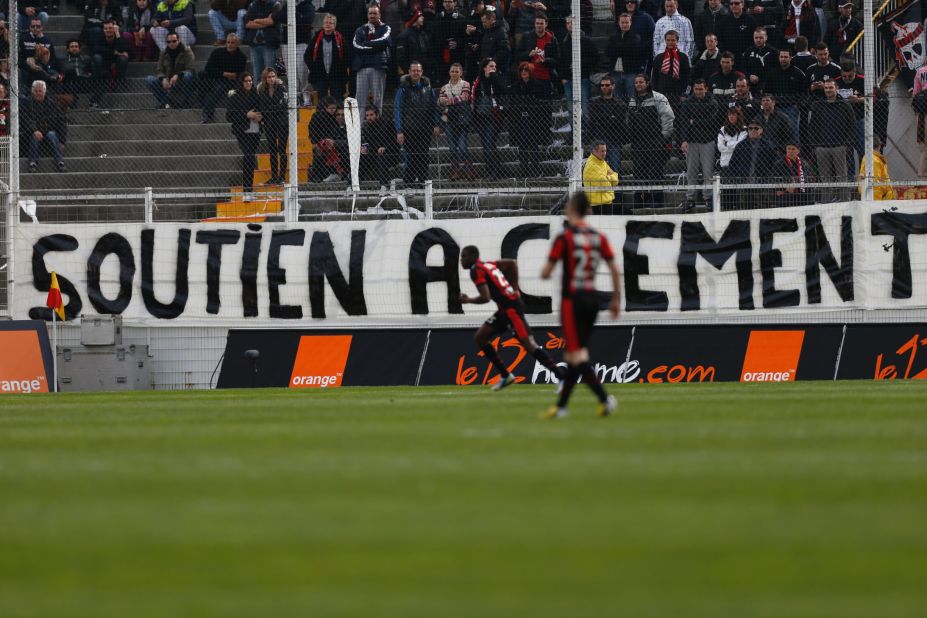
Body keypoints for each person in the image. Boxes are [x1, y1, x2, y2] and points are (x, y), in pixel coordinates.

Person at [540, 191, 620, 419]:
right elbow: (614, 268)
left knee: (577, 357)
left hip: (572, 301)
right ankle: (561, 407)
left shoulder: (565, 237)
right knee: (575, 355)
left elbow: (546, 272)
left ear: (570, 208)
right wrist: (616, 299)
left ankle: (605, 399)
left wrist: (547, 270)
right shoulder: (598, 237)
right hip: (592, 299)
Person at [459, 244, 567, 391]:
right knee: (480, 337)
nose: (461, 260)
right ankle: (506, 376)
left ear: (472, 257)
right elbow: (511, 264)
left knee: (529, 345)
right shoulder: (487, 265)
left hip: (511, 309)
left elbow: (485, 297)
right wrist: (514, 289)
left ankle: (561, 377)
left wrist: (468, 300)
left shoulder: (475, 270)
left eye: (463, 256)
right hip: (504, 310)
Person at [627, 73, 673, 208]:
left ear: (647, 83)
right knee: (639, 172)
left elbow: (668, 117)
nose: (638, 84)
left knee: (655, 172)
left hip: (656, 142)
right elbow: (629, 120)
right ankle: (640, 201)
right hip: (638, 143)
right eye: (636, 82)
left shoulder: (659, 97)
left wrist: (663, 137)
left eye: (641, 82)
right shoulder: (632, 100)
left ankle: (657, 201)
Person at [807, 80, 854, 201]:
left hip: (840, 147)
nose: (828, 90)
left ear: (836, 88)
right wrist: (815, 146)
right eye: (826, 88)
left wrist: (846, 145)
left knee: (842, 177)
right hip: (822, 147)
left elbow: (852, 126)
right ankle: (826, 203)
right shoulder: (818, 105)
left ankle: (845, 202)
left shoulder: (845, 105)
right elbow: (812, 126)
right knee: (825, 178)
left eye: (831, 87)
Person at [394, 61, 439, 185]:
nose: (416, 72)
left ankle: (423, 181)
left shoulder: (428, 87)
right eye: (413, 70)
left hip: (425, 128)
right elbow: (397, 109)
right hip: (409, 128)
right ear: (409, 72)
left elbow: (433, 107)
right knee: (412, 156)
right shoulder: (402, 88)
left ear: (422, 72)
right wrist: (399, 130)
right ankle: (409, 182)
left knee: (424, 155)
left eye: (418, 70)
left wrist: (436, 124)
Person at [679, 79, 721, 209]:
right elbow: (684, 122)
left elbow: (712, 122)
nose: (698, 91)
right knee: (691, 170)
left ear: (706, 88)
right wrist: (684, 140)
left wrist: (694, 121)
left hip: (707, 141)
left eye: (700, 89)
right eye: (696, 89)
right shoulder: (687, 103)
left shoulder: (712, 102)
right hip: (691, 141)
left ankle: (708, 197)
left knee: (708, 171)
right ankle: (690, 197)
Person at [508, 62, 551, 179]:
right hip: (519, 120)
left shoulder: (538, 85)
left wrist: (531, 103)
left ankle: (535, 169)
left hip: (534, 120)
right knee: (522, 146)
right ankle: (524, 170)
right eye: (522, 70)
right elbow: (512, 104)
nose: (523, 73)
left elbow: (544, 104)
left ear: (530, 72)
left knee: (533, 145)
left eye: (526, 70)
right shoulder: (515, 86)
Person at [352, 4, 392, 122]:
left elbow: (384, 41)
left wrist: (366, 44)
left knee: (377, 100)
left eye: (375, 13)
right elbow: (356, 46)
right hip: (362, 68)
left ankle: (377, 128)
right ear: (367, 15)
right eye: (370, 13)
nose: (372, 15)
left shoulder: (386, 28)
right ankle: (359, 129)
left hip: (378, 66)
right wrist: (375, 47)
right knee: (360, 100)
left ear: (379, 15)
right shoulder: (360, 29)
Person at [226, 72, 262, 199]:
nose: (249, 83)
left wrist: (260, 117)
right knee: (248, 157)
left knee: (250, 159)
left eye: (250, 80)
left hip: (255, 130)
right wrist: (247, 115)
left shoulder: (255, 95)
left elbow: (262, 109)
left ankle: (248, 191)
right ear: (241, 82)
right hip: (242, 131)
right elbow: (229, 116)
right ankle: (246, 191)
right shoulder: (235, 97)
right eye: (246, 81)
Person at [559, 15, 598, 127]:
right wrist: (563, 78)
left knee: (584, 107)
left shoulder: (586, 41)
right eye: (568, 23)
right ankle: (573, 133)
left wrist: (579, 63)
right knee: (571, 109)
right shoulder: (564, 42)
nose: (570, 25)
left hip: (583, 78)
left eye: (572, 22)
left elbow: (594, 58)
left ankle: (585, 133)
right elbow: (560, 61)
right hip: (568, 80)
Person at [198, 32, 246, 123]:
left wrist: (229, 75)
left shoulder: (241, 57)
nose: (230, 45)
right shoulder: (217, 52)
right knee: (202, 75)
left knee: (219, 88)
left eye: (232, 42)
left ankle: (207, 115)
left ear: (237, 44)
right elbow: (208, 68)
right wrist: (224, 73)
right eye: (228, 42)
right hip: (215, 78)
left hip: (229, 82)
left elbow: (239, 73)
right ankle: (203, 106)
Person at [471, 56, 505, 179]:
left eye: (495, 67)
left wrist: (494, 77)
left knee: (490, 142)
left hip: (494, 116)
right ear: (484, 68)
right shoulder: (478, 81)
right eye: (491, 66)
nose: (493, 68)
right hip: (481, 116)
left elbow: (503, 90)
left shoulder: (496, 78)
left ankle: (496, 171)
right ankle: (491, 171)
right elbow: (473, 98)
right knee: (485, 144)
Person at [23, 80, 67, 172]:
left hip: (49, 130)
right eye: (36, 91)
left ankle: (60, 162)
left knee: (52, 134)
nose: (38, 93)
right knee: (35, 136)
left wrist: (62, 141)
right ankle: (33, 162)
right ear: (32, 92)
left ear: (45, 91)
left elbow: (61, 122)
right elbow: (26, 119)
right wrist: (35, 130)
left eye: (40, 91)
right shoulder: (27, 103)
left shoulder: (52, 104)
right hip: (34, 132)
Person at [438, 62, 471, 179]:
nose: (454, 73)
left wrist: (447, 101)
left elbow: (465, 97)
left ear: (461, 73)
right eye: (452, 71)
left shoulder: (466, 84)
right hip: (448, 120)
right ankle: (455, 171)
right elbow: (440, 104)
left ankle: (468, 170)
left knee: (462, 146)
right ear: (449, 72)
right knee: (452, 148)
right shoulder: (443, 88)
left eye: (457, 71)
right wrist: (443, 102)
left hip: (462, 120)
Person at [305, 13, 348, 101]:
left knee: (337, 100)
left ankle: (338, 115)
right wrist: (314, 68)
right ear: (323, 24)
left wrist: (341, 68)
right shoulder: (316, 38)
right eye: (326, 22)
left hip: (336, 76)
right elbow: (307, 55)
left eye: (330, 23)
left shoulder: (339, 38)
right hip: (320, 76)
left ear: (334, 25)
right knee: (322, 101)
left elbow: (347, 55)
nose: (328, 24)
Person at [588, 74, 626, 173]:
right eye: (602, 85)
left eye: (607, 85)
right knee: (597, 170)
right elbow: (593, 119)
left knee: (615, 169)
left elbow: (617, 121)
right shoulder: (594, 102)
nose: (604, 87)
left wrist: (601, 118)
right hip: (598, 139)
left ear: (613, 86)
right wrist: (610, 117)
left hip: (614, 139)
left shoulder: (620, 103)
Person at [146, 31, 195, 108]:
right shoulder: (163, 52)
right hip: (168, 80)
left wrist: (178, 75)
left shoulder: (187, 51)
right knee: (149, 79)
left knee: (188, 75)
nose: (171, 43)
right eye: (169, 42)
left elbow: (191, 68)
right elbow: (159, 69)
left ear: (179, 40)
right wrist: (163, 78)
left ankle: (185, 103)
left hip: (181, 81)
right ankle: (167, 103)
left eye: (174, 41)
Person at [258, 67, 287, 184]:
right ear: (265, 78)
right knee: (272, 151)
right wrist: (274, 108)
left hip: (282, 123)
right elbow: (262, 107)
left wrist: (270, 109)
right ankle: (274, 177)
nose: (271, 79)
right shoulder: (262, 90)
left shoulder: (281, 88)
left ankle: (282, 177)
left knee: (282, 150)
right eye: (269, 77)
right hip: (269, 123)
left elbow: (283, 105)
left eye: (273, 76)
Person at [763, 48, 805, 129]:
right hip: (775, 108)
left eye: (786, 57)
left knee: (793, 132)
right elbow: (767, 90)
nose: (783, 59)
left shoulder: (798, 74)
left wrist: (798, 104)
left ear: (790, 58)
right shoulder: (772, 73)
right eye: (781, 57)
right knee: (774, 131)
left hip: (792, 108)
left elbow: (803, 91)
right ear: (779, 58)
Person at [90, 19, 129, 106]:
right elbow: (96, 49)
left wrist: (118, 34)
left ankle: (121, 83)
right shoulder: (99, 36)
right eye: (106, 28)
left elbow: (123, 49)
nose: (108, 30)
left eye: (110, 28)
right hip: (103, 61)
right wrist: (114, 52)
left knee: (123, 58)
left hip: (116, 60)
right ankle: (99, 83)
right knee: (97, 57)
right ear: (103, 30)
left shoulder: (118, 36)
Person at [515, 13, 559, 89]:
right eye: (537, 23)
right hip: (530, 77)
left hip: (546, 77)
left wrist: (545, 60)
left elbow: (557, 59)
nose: (539, 25)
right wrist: (528, 54)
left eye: (541, 23)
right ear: (534, 24)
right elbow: (517, 56)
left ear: (546, 24)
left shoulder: (552, 39)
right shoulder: (526, 37)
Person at [650, 29, 690, 111]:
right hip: (662, 93)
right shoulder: (659, 58)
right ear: (665, 41)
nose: (670, 42)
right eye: (668, 40)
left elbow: (687, 77)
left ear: (677, 41)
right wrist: (655, 94)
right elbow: (654, 77)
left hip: (677, 94)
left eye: (673, 40)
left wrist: (684, 94)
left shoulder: (683, 57)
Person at [430, 0, 466, 89]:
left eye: (450, 1)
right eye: (445, 1)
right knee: (442, 81)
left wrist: (457, 43)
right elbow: (433, 37)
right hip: (441, 57)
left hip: (456, 56)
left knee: (456, 81)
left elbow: (465, 38)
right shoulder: (438, 18)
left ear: (455, 3)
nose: (447, 3)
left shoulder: (461, 19)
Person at [608, 12, 643, 101]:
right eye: (622, 22)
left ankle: (632, 114)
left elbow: (633, 50)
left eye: (626, 22)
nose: (624, 24)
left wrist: (618, 48)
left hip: (630, 72)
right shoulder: (613, 37)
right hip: (616, 72)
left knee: (632, 97)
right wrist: (625, 48)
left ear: (630, 23)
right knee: (616, 97)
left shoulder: (635, 36)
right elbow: (608, 52)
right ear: (619, 23)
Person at [309, 96, 345, 182]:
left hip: (332, 142)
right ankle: (318, 176)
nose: (333, 110)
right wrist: (315, 142)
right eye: (331, 108)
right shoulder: (318, 116)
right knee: (319, 152)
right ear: (325, 107)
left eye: (334, 108)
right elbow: (312, 130)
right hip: (321, 142)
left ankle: (334, 173)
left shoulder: (335, 117)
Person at [244, 0, 281, 81]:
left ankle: (270, 93)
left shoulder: (275, 4)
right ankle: (257, 93)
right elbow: (247, 23)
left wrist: (256, 20)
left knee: (270, 73)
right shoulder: (252, 5)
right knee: (257, 74)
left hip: (269, 45)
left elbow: (271, 21)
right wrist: (265, 21)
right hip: (254, 45)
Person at [717, 105, 747, 207]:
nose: (731, 117)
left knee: (735, 190)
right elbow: (720, 147)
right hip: (725, 163)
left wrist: (727, 143)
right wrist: (733, 144)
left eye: (734, 115)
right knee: (726, 190)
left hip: (737, 164)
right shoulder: (722, 129)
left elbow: (740, 146)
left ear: (738, 116)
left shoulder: (744, 129)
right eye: (729, 115)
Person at [360, 107, 395, 187]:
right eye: (367, 115)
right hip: (373, 154)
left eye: (371, 115)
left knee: (381, 155)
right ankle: (353, 184)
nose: (369, 118)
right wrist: (363, 148)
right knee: (360, 155)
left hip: (389, 153)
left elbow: (394, 141)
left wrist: (385, 147)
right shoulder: (366, 127)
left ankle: (384, 185)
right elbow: (366, 142)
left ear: (377, 115)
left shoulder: (387, 123)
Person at [582, 141, 620, 213]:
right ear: (594, 151)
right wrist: (610, 177)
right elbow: (605, 185)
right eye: (602, 151)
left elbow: (616, 180)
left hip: (605, 202)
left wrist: (608, 178)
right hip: (598, 205)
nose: (604, 153)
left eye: (605, 151)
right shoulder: (592, 166)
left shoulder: (601, 162)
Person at [772, 141, 810, 206]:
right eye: (788, 149)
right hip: (786, 193)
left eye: (793, 149)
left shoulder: (803, 164)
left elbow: (806, 179)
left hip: (801, 193)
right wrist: (785, 188)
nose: (790, 151)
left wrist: (797, 184)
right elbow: (774, 179)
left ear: (798, 151)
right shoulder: (779, 164)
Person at [396, 10, 432, 77]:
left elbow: (428, 53)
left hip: (424, 72)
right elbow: (400, 57)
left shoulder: (423, 34)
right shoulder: (404, 36)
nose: (423, 18)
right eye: (420, 16)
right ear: (415, 19)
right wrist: (409, 71)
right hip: (410, 74)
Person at [859, 135, 895, 201]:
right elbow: (876, 185)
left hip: (874, 196)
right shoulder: (875, 160)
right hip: (878, 199)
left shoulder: (870, 157)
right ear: (879, 146)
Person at [741, 26, 776, 93]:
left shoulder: (773, 52)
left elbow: (775, 69)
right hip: (750, 85)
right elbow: (743, 67)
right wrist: (749, 76)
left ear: (766, 38)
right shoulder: (748, 51)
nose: (758, 40)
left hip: (768, 85)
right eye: (756, 38)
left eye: (761, 38)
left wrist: (761, 78)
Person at [60, 39, 93, 107]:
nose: (74, 48)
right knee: (71, 72)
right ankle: (72, 100)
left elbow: (91, 71)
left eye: (76, 46)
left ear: (79, 49)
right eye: (72, 47)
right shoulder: (62, 60)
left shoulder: (86, 59)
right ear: (68, 49)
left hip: (83, 82)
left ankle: (94, 101)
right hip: (69, 83)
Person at [478, 7, 510, 73]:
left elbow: (505, 50)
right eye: (482, 22)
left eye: (485, 22)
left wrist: (492, 61)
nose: (483, 24)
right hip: (486, 66)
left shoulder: (501, 31)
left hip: (496, 68)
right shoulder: (486, 31)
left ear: (491, 19)